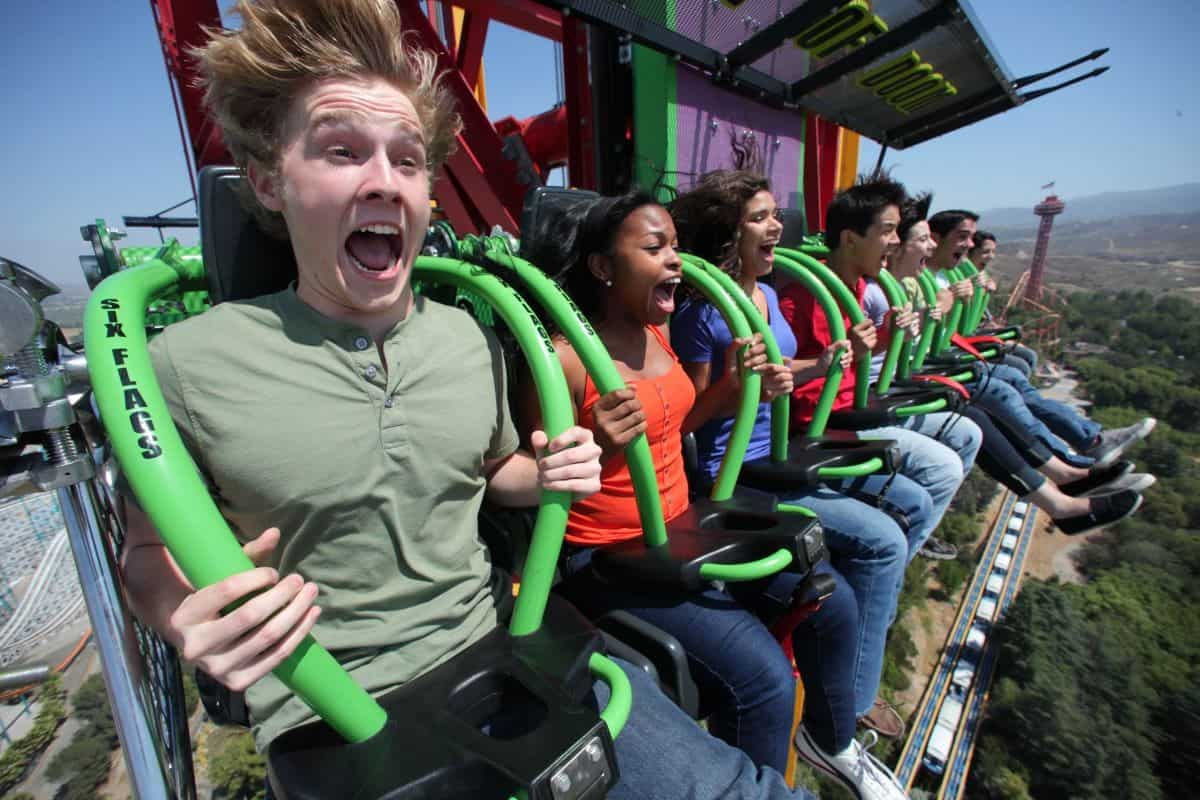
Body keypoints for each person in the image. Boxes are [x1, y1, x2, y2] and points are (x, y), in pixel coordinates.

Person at [116, 3, 825, 798]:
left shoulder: (464, 337)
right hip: (338, 709)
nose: (383, 181)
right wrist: (181, 614)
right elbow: (147, 555)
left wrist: (550, 470)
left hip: (503, 645)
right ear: (269, 181)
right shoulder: (185, 363)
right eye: (342, 153)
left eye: (407, 161)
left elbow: (495, 472)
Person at [522, 191, 910, 800]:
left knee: (830, 601)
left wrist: (735, 387)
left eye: (675, 246)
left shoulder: (659, 330)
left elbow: (679, 422)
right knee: (763, 678)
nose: (676, 260)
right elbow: (532, 475)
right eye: (655, 248)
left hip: (680, 525)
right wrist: (593, 441)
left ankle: (830, 738)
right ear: (602, 267)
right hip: (609, 553)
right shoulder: (562, 359)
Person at [668, 169, 937, 743]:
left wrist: (824, 363)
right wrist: (735, 388)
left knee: (892, 522)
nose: (777, 226)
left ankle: (844, 681)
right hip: (733, 469)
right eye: (760, 218)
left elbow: (778, 374)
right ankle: (838, 717)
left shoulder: (764, 294)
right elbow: (686, 418)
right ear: (727, 233)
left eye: (775, 215)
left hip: (780, 450)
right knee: (877, 542)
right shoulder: (700, 310)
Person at [891, 203, 1150, 533]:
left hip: (917, 366)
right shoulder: (905, 284)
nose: (970, 248)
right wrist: (936, 312)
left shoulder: (917, 282)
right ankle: (1070, 467)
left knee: (1002, 382)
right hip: (910, 373)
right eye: (963, 238)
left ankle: (1067, 472)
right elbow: (888, 344)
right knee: (991, 395)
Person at [777, 176, 983, 564]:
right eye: (887, 231)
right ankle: (895, 561)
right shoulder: (803, 296)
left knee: (965, 434)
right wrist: (839, 359)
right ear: (851, 239)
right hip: (825, 420)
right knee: (942, 469)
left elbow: (856, 354)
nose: (894, 240)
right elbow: (788, 378)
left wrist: (890, 335)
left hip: (852, 405)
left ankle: (897, 557)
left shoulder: (855, 288)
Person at [927, 210, 1157, 468]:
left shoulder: (950, 275)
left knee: (1015, 375)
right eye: (964, 238)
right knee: (1002, 391)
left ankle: (1087, 441)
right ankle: (1069, 458)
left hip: (948, 352)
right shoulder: (924, 279)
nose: (971, 246)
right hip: (935, 363)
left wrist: (968, 299)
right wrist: (948, 303)